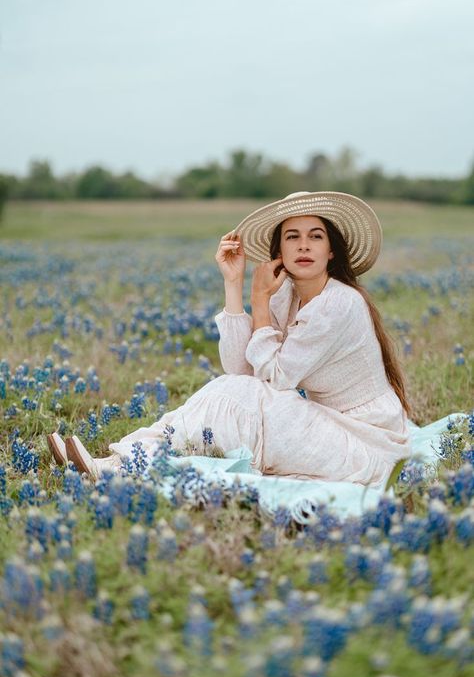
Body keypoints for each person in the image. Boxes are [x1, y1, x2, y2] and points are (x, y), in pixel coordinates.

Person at [47, 191, 411, 487]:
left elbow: (276, 377)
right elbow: (241, 369)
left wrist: (258, 300)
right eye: (292, 237)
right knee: (233, 389)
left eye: (316, 236)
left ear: (331, 250)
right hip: (324, 425)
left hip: (366, 445)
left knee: (239, 396)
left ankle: (121, 464)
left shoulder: (339, 303)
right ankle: (121, 460)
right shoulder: (286, 296)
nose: (304, 246)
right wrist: (234, 284)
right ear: (278, 252)